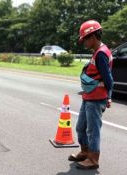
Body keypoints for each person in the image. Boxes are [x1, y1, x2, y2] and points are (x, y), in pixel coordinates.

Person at [68, 20, 113, 169]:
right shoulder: (98, 52)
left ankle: (93, 159)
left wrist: (108, 96)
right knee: (81, 127)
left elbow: (109, 79)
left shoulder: (101, 54)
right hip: (89, 97)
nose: (84, 43)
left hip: (96, 99)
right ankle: (85, 152)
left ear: (93, 37)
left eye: (85, 39)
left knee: (92, 131)